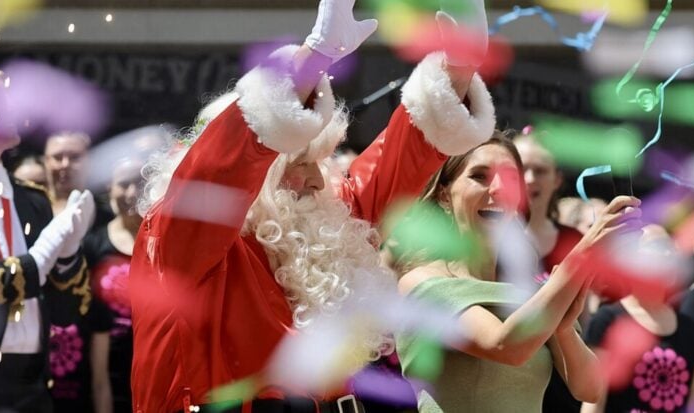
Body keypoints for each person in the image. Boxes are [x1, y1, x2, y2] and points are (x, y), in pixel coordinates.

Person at [129, 0, 499, 411]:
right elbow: (221, 169)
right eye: (300, 164)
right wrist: (314, 60)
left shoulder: (317, 223)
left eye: (320, 163)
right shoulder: (179, 237)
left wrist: (459, 70)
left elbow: (397, 165)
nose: (318, 180)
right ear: (258, 163)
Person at [393, 135, 641, 412]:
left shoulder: (530, 293)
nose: (498, 189)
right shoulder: (421, 283)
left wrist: (562, 329)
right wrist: (582, 254)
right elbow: (505, 346)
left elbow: (590, 388)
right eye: (480, 176)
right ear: (443, 193)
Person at [0, 59, 93, 412]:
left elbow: (69, 311)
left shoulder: (32, 199)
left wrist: (67, 255)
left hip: (33, 384)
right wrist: (37, 260)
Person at [582, 225, 694, 413]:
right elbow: (593, 399)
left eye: (670, 247)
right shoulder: (608, 320)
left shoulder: (689, 328)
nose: (667, 254)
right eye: (657, 246)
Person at [514, 129, 585, 412]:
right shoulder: (490, 238)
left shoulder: (575, 242)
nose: (530, 179)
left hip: (562, 380)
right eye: (522, 169)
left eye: (540, 170)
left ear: (556, 179)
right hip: (509, 373)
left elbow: (584, 313)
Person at [84, 158, 145, 413]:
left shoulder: (163, 241)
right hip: (109, 366)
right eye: (124, 184)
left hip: (156, 365)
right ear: (110, 187)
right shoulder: (93, 245)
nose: (132, 192)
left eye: (140, 183)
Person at [44, 131, 114, 228]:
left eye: (74, 157)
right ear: (46, 161)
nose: (65, 164)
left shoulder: (109, 218)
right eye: (57, 157)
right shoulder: (30, 209)